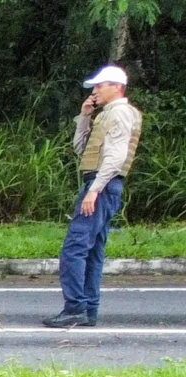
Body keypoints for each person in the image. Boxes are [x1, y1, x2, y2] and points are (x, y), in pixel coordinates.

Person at [45, 65, 141, 329]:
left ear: (117, 87)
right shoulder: (106, 114)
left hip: (102, 185)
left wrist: (94, 190)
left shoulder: (119, 113)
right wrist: (84, 117)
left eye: (100, 86)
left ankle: (75, 307)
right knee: (93, 250)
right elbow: (81, 151)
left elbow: (116, 156)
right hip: (102, 184)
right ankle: (87, 309)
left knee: (74, 249)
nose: (95, 91)